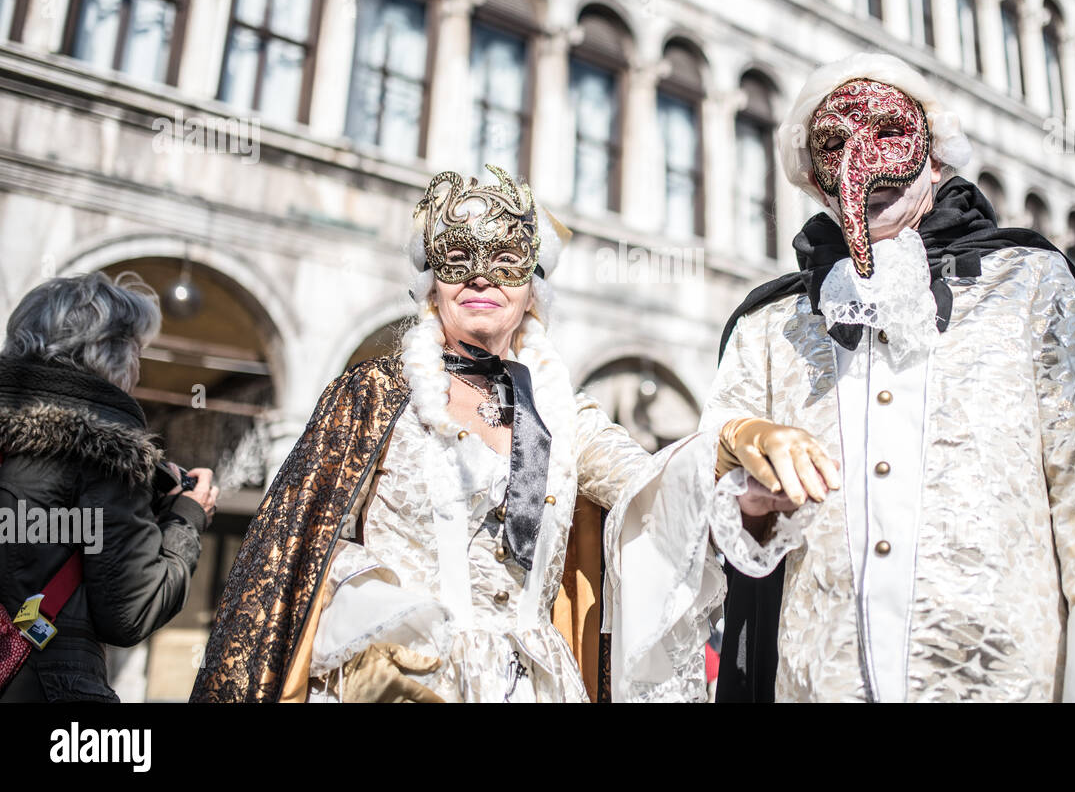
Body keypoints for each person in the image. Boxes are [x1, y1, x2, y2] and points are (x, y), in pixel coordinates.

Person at [618, 52, 1075, 702]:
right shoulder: (768, 324)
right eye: (835, 144)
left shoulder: (1033, 283)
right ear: (815, 178)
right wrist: (747, 494)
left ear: (934, 155)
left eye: (889, 134)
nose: (862, 162)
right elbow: (699, 505)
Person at [189, 166, 832, 702]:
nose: (481, 277)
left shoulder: (561, 415)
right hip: (398, 677)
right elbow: (299, 553)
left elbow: (651, 489)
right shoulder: (375, 396)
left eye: (504, 261)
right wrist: (376, 637)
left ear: (531, 290)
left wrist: (733, 452)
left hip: (532, 684)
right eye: (457, 260)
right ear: (431, 285)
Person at [0, 272, 217, 702]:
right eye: (137, 351)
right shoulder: (108, 455)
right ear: (112, 354)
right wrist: (188, 516)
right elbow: (130, 613)